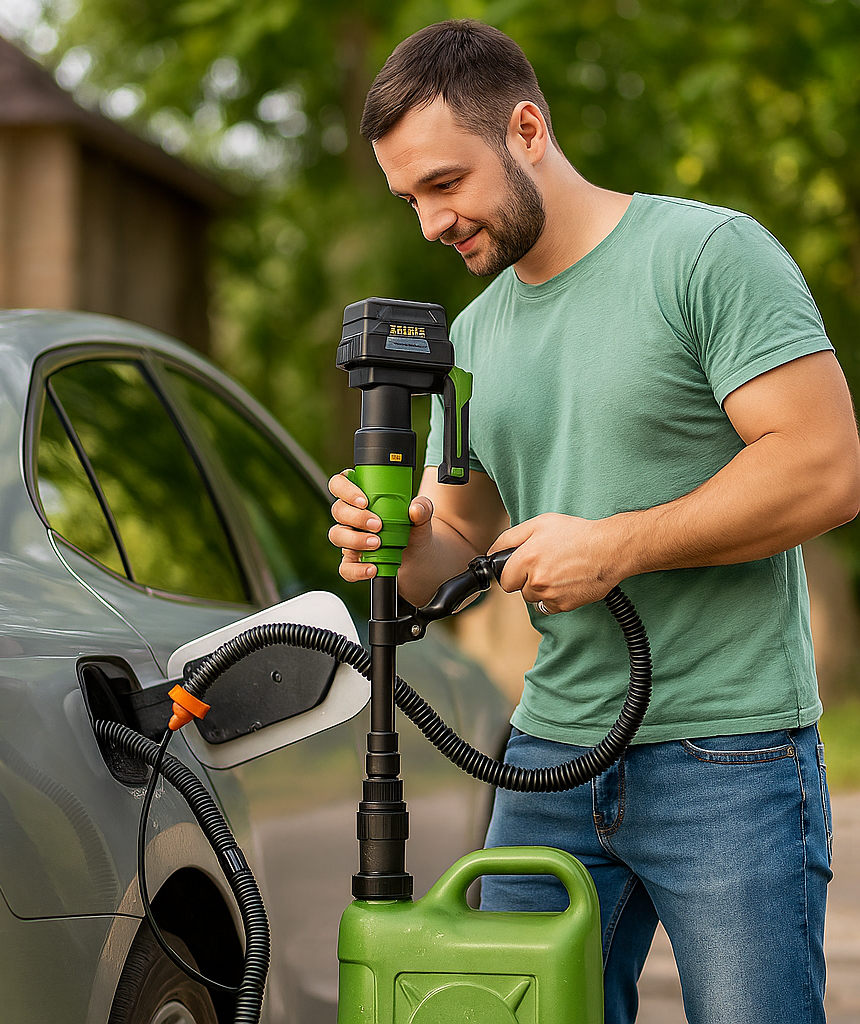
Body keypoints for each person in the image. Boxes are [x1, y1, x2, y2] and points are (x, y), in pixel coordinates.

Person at [327, 19, 860, 1024]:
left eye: (445, 183)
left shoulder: (705, 256)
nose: (430, 223)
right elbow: (457, 545)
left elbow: (824, 470)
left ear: (526, 129)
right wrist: (392, 540)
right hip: (549, 757)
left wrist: (616, 545)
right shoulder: (470, 337)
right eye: (410, 200)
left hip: (729, 754)